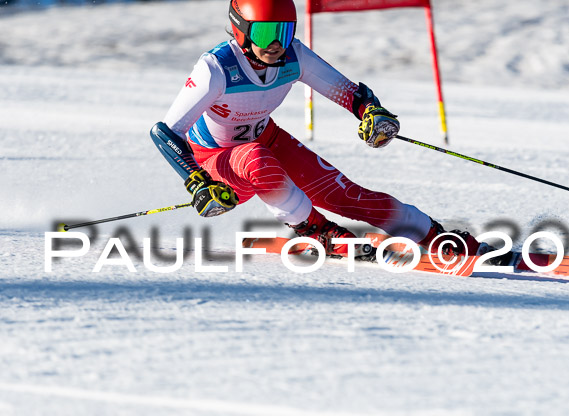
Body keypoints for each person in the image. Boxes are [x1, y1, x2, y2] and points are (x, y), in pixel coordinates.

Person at [150, 0, 485, 258]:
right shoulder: (216, 68)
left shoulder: (295, 57)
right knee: (255, 158)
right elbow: (166, 132)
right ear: (242, 31)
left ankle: (434, 236)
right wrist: (197, 182)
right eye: (266, 33)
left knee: (349, 195)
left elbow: (350, 94)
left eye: (284, 31)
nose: (276, 44)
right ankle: (315, 230)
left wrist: (372, 114)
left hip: (267, 140)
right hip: (217, 163)